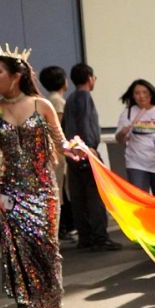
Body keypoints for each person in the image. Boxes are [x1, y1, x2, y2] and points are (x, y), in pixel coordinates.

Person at [0, 48, 65, 308]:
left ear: (16, 76)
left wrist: (77, 150)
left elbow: (60, 143)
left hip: (44, 191)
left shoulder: (42, 106)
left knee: (47, 250)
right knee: (25, 254)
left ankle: (52, 306)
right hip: (11, 192)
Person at [61, 63, 115, 251]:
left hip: (72, 153)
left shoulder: (70, 99)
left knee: (79, 197)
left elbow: (64, 126)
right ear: (90, 78)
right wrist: (88, 148)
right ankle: (100, 237)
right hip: (86, 151)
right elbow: (85, 123)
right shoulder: (85, 97)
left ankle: (85, 237)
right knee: (94, 196)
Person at [115, 79, 155, 198]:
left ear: (150, 94)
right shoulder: (128, 113)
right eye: (137, 93)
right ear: (133, 96)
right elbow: (119, 139)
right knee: (140, 199)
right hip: (136, 163)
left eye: (144, 92)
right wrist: (122, 133)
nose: (141, 96)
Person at [37, 65, 72, 242]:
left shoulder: (49, 99)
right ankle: (60, 228)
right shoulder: (57, 101)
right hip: (58, 152)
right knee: (59, 189)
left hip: (56, 152)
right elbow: (55, 127)